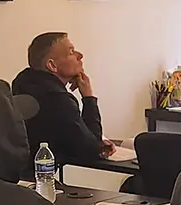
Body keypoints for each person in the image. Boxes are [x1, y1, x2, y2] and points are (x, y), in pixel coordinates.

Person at [12, 33, 114, 169]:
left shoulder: (22, 84)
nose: (80, 55)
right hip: (41, 179)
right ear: (52, 65)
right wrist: (88, 98)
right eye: (71, 52)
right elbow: (92, 150)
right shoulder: (58, 99)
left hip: (19, 175)